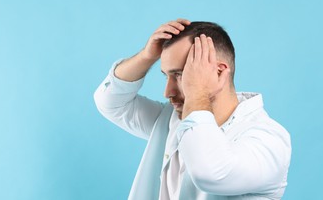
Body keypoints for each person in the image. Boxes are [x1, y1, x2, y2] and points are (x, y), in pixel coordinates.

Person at [94, 19, 291, 200]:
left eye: (180, 75)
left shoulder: (269, 140)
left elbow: (209, 173)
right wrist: (146, 56)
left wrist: (197, 91)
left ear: (219, 71)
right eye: (166, 76)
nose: (167, 92)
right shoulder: (171, 119)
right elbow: (110, 102)